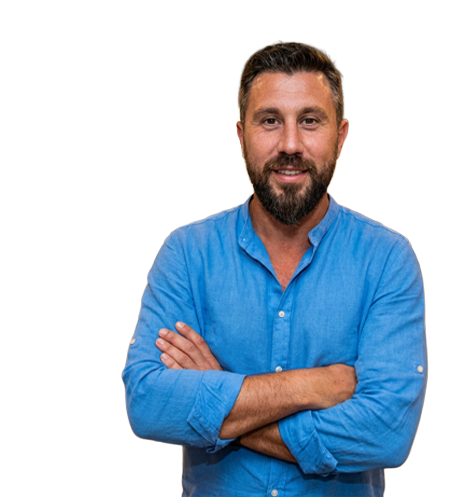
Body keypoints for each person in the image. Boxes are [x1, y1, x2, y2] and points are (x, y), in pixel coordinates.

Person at [122, 42, 427, 497]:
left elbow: (386, 433)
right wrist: (313, 385)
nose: (289, 144)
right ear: (242, 135)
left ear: (340, 136)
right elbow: (148, 404)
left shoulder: (387, 259)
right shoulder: (186, 253)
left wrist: (218, 396)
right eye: (269, 120)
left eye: (310, 120)